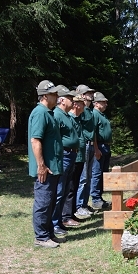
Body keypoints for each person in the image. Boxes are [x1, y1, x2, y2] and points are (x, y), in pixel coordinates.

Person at [28, 80, 64, 248]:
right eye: (53, 94)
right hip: (45, 168)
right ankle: (41, 237)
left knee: (50, 202)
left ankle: (48, 233)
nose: (57, 96)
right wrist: (41, 165)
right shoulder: (40, 113)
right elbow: (35, 140)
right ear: (44, 96)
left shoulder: (49, 113)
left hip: (53, 167)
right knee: (43, 202)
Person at [51, 86, 80, 236]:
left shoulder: (66, 115)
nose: (73, 101)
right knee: (59, 190)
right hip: (64, 156)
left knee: (65, 190)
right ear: (61, 100)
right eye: (70, 98)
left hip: (71, 156)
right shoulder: (56, 115)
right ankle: (54, 224)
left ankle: (60, 220)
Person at [75, 84, 100, 220]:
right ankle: (79, 206)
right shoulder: (80, 110)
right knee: (83, 178)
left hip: (91, 146)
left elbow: (93, 131)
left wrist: (96, 148)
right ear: (83, 95)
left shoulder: (90, 111)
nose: (91, 95)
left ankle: (84, 204)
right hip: (83, 145)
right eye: (88, 93)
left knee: (89, 177)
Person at [61, 93, 87, 227]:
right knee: (69, 187)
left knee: (74, 185)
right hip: (73, 157)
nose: (85, 105)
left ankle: (71, 214)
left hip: (79, 156)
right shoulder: (69, 118)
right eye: (82, 103)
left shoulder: (77, 118)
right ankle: (65, 216)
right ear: (76, 104)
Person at [90, 92, 112, 211]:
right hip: (99, 146)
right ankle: (95, 198)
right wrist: (96, 149)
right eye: (103, 102)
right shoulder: (94, 114)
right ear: (96, 103)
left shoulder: (102, 115)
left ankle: (100, 197)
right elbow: (93, 133)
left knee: (103, 172)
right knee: (97, 173)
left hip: (106, 147)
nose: (106, 104)